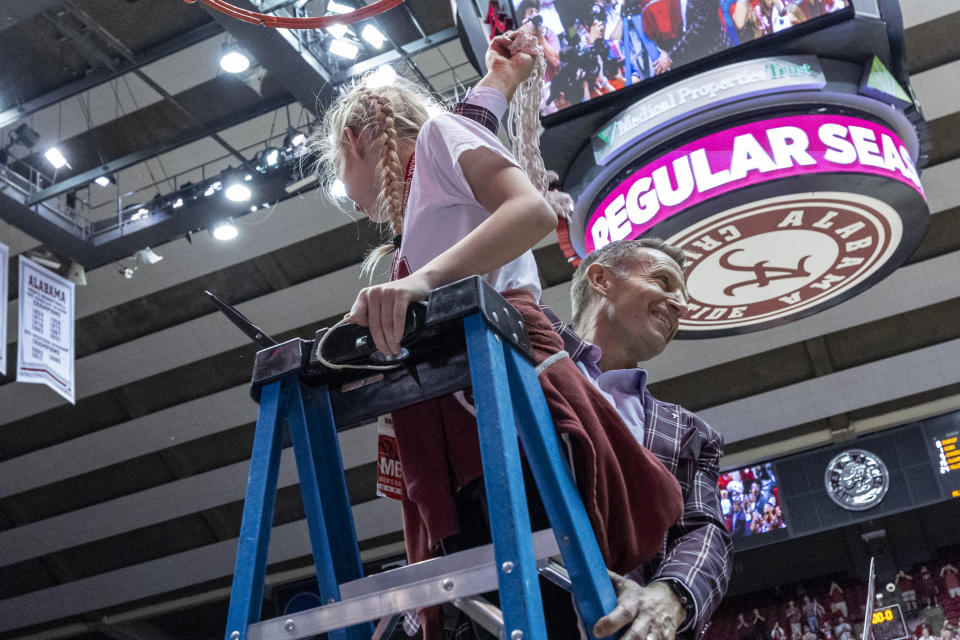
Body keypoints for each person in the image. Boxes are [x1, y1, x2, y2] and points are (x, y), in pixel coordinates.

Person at [314, 29, 684, 639]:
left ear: (355, 140)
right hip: (468, 412)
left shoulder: (437, 140)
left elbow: (532, 212)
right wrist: (503, 77)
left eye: (340, 176)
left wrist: (419, 284)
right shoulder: (435, 180)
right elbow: (475, 120)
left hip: (505, 380)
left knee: (536, 587)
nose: (353, 205)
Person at [539, 238, 732, 640]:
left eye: (682, 296)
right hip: (516, 612)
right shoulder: (525, 345)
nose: (682, 305)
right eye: (662, 280)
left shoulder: (690, 433)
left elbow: (704, 531)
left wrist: (671, 595)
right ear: (601, 279)